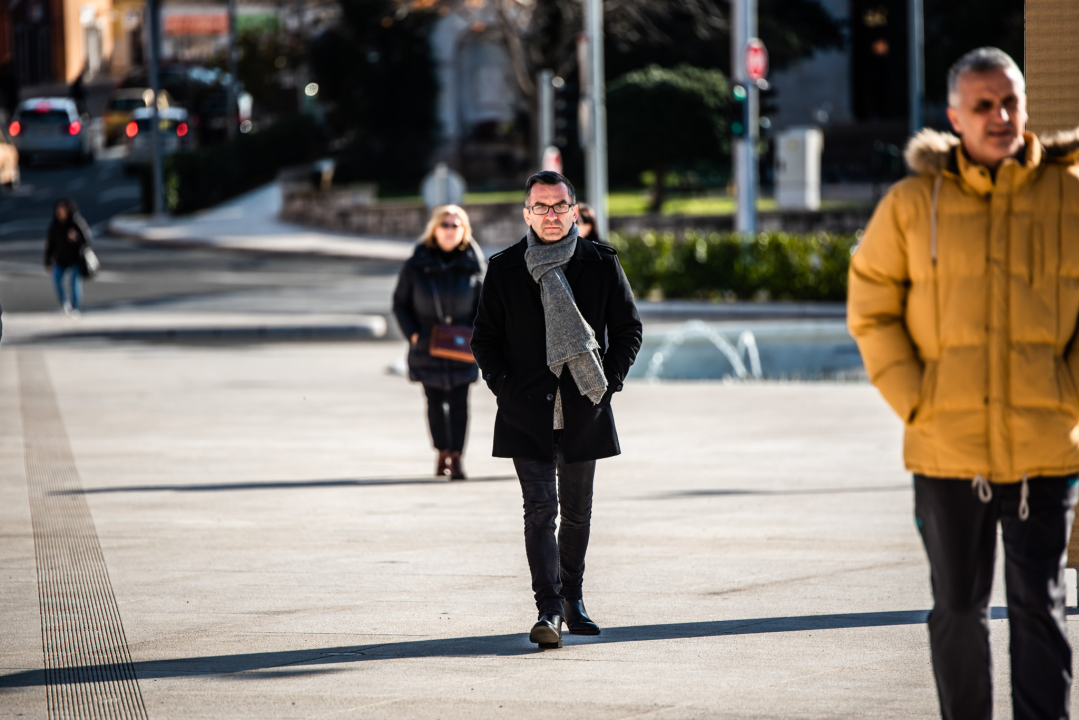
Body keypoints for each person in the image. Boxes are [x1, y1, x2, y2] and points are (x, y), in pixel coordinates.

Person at [848, 47, 1079, 720]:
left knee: (1041, 607)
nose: (999, 116)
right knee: (955, 610)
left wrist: (1066, 390)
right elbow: (871, 307)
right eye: (983, 105)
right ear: (954, 116)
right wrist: (918, 401)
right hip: (944, 451)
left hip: (1044, 448)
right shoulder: (912, 204)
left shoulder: (1069, 198)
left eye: (1009, 101)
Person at [471, 171, 642, 648]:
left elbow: (628, 329)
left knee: (578, 513)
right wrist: (505, 388)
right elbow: (484, 340)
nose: (551, 215)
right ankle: (548, 609)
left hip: (584, 407)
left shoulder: (600, 263)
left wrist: (607, 384)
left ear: (574, 210)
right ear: (527, 213)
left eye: (559, 206)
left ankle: (574, 598)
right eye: (541, 207)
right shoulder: (504, 268)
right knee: (540, 510)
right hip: (527, 412)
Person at [393, 205, 485, 480]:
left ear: (464, 230)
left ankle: (456, 457)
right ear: (434, 228)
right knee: (434, 402)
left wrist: (476, 337)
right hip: (426, 346)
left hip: (461, 345)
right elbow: (400, 304)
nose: (449, 230)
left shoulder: (475, 266)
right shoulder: (416, 264)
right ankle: (441, 451)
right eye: (444, 225)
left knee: (459, 403)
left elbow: (486, 308)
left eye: (455, 225)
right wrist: (413, 334)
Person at [44, 199, 92, 316]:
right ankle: (64, 304)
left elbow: (87, 240)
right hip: (60, 259)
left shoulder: (76, 222)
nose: (60, 212)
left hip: (75, 259)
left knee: (74, 283)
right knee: (56, 280)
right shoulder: (54, 225)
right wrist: (48, 261)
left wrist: (76, 238)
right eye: (58, 210)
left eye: (63, 209)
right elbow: (50, 244)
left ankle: (75, 308)